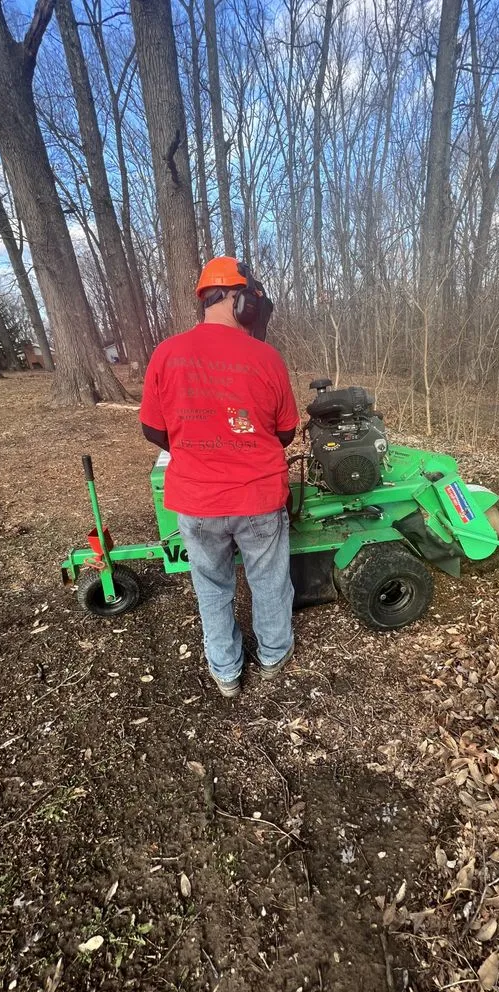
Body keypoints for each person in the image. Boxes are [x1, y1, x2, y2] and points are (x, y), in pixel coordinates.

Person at [139, 257, 299, 697]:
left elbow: (153, 429)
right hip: (259, 498)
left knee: (211, 587)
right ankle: (272, 656)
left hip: (197, 501)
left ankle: (226, 672)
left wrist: (198, 448)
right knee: (269, 582)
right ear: (238, 299)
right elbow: (285, 431)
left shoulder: (166, 353)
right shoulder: (266, 357)